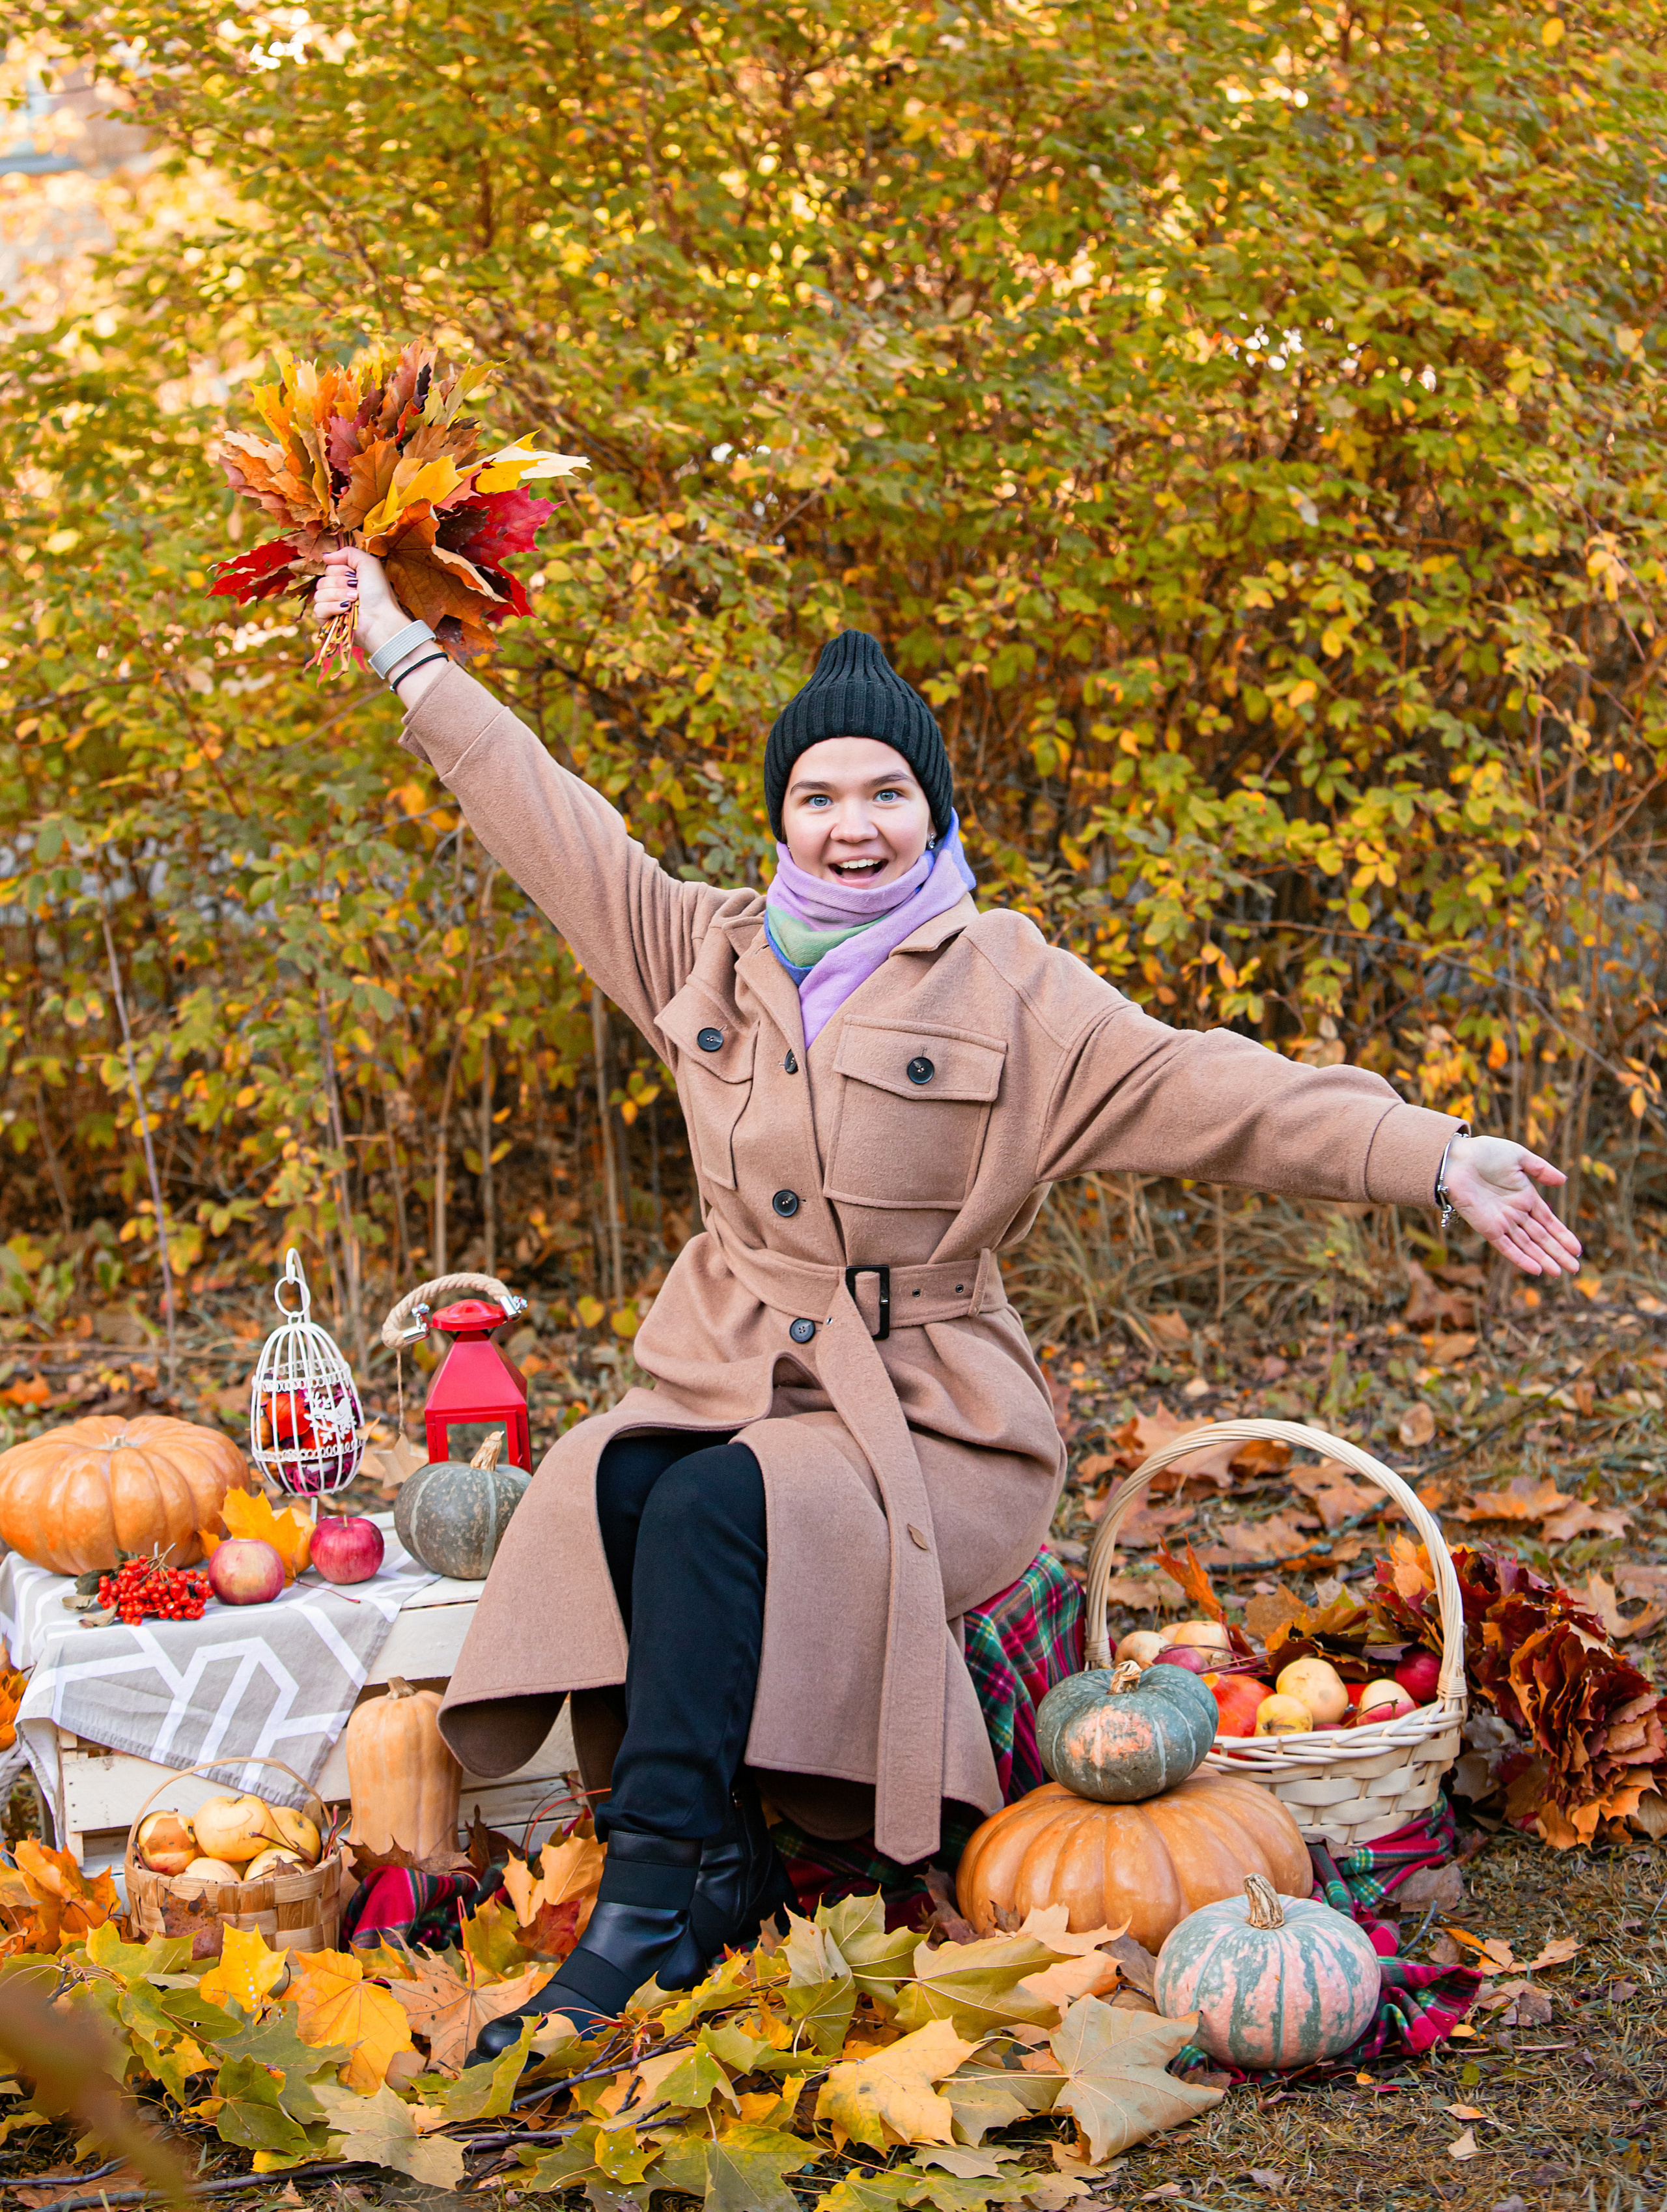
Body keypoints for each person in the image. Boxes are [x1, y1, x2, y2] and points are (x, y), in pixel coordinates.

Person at [312, 551, 1580, 2056]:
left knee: (723, 1505)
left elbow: (1207, 1086)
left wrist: (1433, 1155)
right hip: (730, 1366)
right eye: (819, 799)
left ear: (932, 813)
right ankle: (714, 1861)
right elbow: (542, 815)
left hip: (922, 1411)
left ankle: (644, 1910)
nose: (852, 828)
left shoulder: (1004, 981)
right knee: (622, 1472)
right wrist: (403, 653)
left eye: (885, 797)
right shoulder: (699, 946)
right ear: (781, 818)